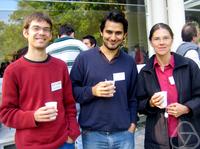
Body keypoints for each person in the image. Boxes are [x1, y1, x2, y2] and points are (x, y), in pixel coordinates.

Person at [0, 12, 80, 149]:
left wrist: (72, 133)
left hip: (63, 142)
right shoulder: (13, 71)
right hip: (30, 145)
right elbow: (6, 114)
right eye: (36, 28)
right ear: (26, 32)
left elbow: (69, 104)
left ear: (50, 35)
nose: (41, 33)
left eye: (46, 29)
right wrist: (33, 116)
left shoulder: (60, 66)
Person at [70, 10, 138, 149]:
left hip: (124, 134)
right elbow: (72, 92)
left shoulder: (129, 62)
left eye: (118, 33)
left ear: (124, 35)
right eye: (109, 32)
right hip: (93, 135)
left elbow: (133, 97)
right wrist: (92, 91)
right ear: (101, 32)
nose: (113, 37)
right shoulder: (84, 59)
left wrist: (132, 124)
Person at [137, 23, 200, 148]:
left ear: (172, 39)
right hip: (158, 140)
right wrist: (150, 103)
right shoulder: (145, 72)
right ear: (151, 42)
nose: (161, 42)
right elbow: (138, 104)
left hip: (188, 136)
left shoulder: (189, 66)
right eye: (157, 39)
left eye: (165, 38)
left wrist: (187, 108)